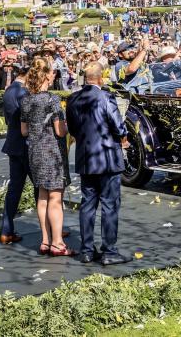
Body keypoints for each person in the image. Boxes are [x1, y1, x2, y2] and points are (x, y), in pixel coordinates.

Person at [66, 61, 131, 266]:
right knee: (110, 205)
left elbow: (73, 128)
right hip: (107, 157)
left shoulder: (73, 98)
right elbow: (117, 123)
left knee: (87, 204)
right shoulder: (105, 96)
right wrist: (123, 138)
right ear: (100, 78)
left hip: (86, 156)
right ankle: (109, 251)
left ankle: (86, 250)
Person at [21, 57, 74, 257]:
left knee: (42, 196)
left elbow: (24, 130)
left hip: (34, 151)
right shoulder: (52, 100)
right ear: (45, 77)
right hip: (52, 152)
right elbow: (60, 131)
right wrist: (71, 126)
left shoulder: (26, 100)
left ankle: (45, 240)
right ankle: (58, 243)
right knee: (55, 198)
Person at [0, 62, 29, 245]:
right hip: (25, 144)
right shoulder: (23, 93)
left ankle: (6, 229)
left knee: (14, 189)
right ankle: (49, 231)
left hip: (12, 143)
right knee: (40, 189)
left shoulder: (9, 90)